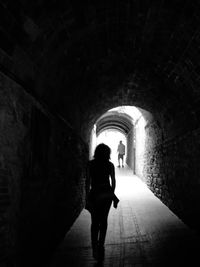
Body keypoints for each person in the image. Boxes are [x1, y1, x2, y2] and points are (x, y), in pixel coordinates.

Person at [85, 143, 119, 261]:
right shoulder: (110, 165)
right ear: (108, 153)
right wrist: (112, 193)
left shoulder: (90, 164)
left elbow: (87, 182)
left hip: (95, 194)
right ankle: (101, 244)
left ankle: (94, 246)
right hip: (106, 194)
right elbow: (113, 181)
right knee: (104, 219)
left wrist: (87, 196)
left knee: (94, 221)